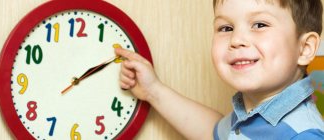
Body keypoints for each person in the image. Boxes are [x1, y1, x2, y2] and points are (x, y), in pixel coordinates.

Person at [114, 0, 324, 139]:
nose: (237, 39)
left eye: (259, 25)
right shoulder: (251, 116)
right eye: (226, 28)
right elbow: (213, 132)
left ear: (304, 48)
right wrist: (153, 91)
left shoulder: (303, 134)